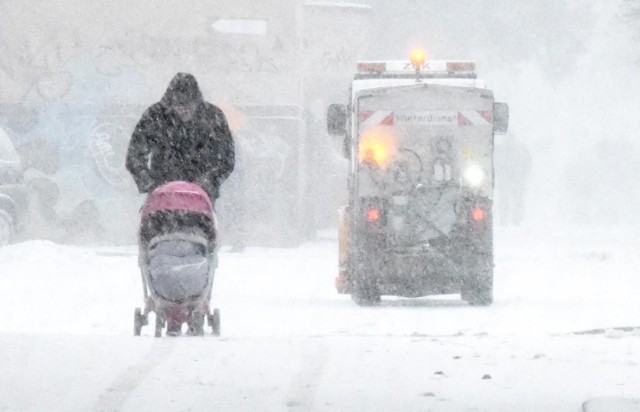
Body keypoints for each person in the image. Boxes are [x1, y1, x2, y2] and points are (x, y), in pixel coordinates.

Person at [126, 72, 235, 202]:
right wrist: (149, 183)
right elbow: (134, 155)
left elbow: (226, 159)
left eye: (189, 105)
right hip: (162, 195)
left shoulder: (213, 117)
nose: (184, 110)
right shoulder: (155, 116)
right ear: (170, 104)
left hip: (201, 197)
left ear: (197, 102)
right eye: (179, 105)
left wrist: (209, 181)